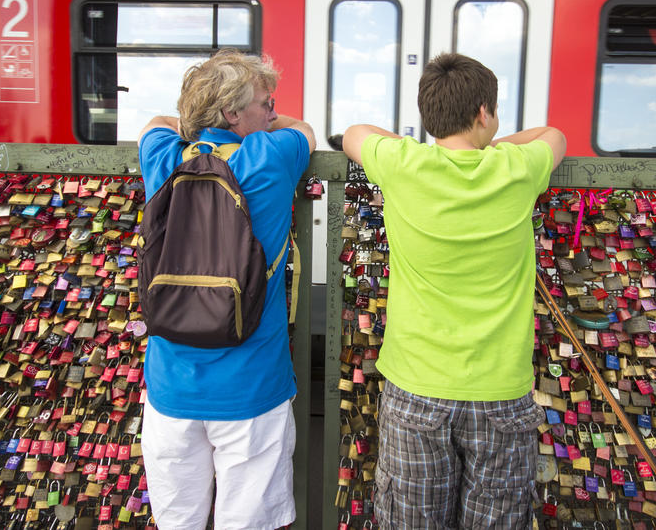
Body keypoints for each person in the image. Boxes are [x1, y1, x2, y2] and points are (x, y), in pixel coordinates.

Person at [342, 53, 566, 529]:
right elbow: (554, 135)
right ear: (484, 112)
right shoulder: (517, 167)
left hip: (416, 388)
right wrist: (493, 146)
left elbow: (355, 133)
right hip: (501, 393)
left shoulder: (405, 164)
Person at [137, 49, 316, 530]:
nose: (274, 112)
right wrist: (271, 123)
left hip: (171, 390)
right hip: (252, 388)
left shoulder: (161, 157)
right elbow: (304, 130)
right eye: (266, 102)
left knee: (178, 522)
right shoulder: (272, 156)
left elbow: (157, 120)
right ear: (234, 114)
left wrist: (197, 117)